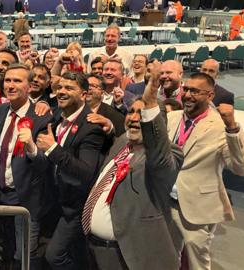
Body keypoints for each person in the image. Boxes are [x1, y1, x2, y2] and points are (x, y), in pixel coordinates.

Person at [82, 60, 183, 270]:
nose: (135, 119)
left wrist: (152, 96)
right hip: (92, 247)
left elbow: (159, 152)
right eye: (131, 113)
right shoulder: (122, 142)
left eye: (142, 114)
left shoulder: (168, 155)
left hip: (125, 254)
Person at [166, 72, 244, 270]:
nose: (187, 95)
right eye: (186, 89)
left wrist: (232, 127)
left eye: (195, 91)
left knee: (197, 262)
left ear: (210, 96)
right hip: (166, 201)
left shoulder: (221, 127)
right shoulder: (171, 118)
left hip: (197, 207)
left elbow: (243, 168)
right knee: (168, 257)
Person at [36, 71, 106, 270]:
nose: (61, 92)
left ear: (84, 94)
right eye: (59, 88)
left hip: (75, 206)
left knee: (55, 256)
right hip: (53, 201)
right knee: (70, 254)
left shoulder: (91, 126)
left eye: (69, 88)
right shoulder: (56, 115)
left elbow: (85, 172)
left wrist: (52, 149)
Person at [0, 63, 54, 269]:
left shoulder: (43, 116)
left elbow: (46, 165)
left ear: (29, 86)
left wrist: (31, 147)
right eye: (7, 80)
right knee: (5, 251)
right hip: (0, 196)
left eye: (17, 80)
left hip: (26, 198)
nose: (10, 85)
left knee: (25, 257)